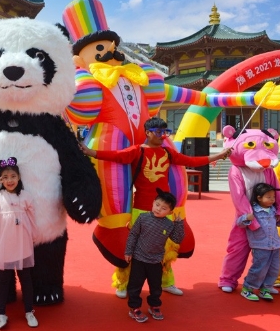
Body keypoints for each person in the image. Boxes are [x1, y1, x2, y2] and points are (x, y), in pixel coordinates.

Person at [81, 117, 231, 297]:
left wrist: (219, 155)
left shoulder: (168, 153)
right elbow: (115, 156)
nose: (162, 136)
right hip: (142, 209)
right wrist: (91, 152)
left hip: (166, 211)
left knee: (165, 249)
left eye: (165, 132)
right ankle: (123, 284)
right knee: (134, 248)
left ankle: (166, 282)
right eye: (159, 132)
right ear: (148, 133)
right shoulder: (136, 151)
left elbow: (190, 161)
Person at [0, 157, 38, 330]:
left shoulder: (26, 196)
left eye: (13, 176)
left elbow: (32, 218)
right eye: (5, 177)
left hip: (23, 243)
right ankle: (1, 313)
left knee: (26, 278)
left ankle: (29, 311)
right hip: (5, 245)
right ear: (0, 180)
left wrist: (33, 235)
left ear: (19, 178)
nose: (9, 180)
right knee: (3, 280)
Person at [124, 188, 184, 322]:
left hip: (156, 261)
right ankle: (134, 308)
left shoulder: (169, 224)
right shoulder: (143, 218)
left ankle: (154, 305)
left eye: (163, 208)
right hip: (139, 258)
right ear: (153, 203)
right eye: (157, 205)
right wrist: (128, 251)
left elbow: (177, 239)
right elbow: (133, 235)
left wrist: (179, 224)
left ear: (170, 212)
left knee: (156, 286)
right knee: (135, 285)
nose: (158, 209)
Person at [237, 183, 280, 301]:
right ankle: (248, 288)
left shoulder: (273, 210)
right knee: (259, 268)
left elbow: (279, 224)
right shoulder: (253, 211)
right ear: (259, 198)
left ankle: (266, 288)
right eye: (269, 197)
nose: (272, 200)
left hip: (275, 245)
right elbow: (240, 223)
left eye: (273, 197)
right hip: (260, 245)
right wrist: (246, 218)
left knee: (274, 268)